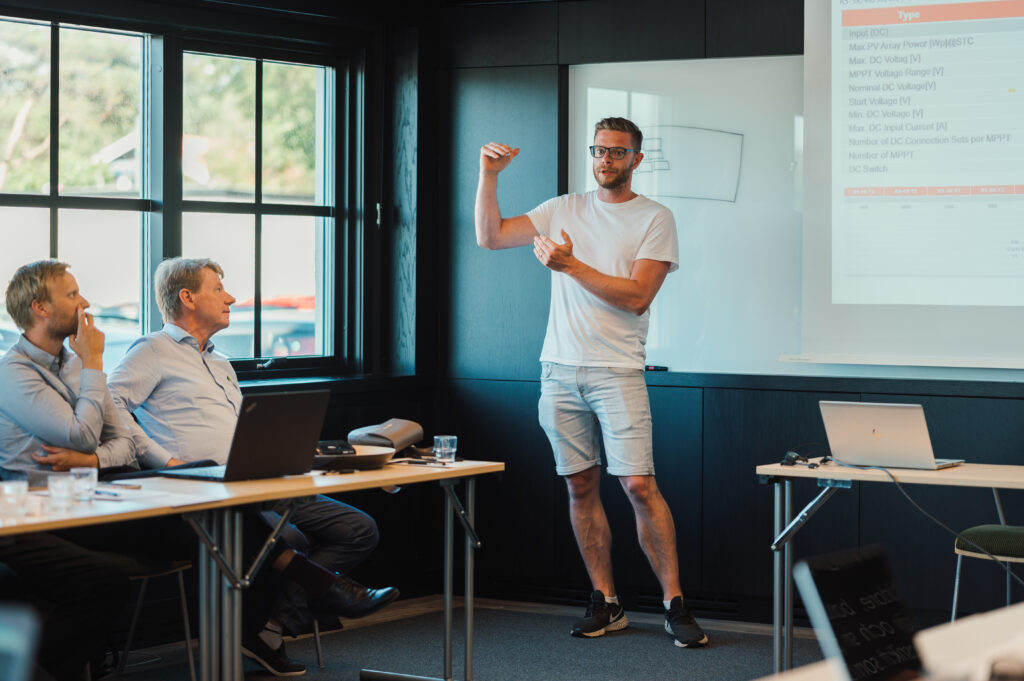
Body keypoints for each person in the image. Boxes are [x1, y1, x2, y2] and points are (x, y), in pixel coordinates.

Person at [473, 117, 708, 648]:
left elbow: (637, 297)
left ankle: (674, 602)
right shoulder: (563, 208)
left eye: (617, 152)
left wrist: (571, 266)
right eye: (599, 150)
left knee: (639, 486)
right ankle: (606, 601)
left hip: (617, 371)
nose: (606, 160)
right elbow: (490, 236)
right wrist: (489, 175)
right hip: (558, 370)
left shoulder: (655, 217)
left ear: (636, 160)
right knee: (579, 485)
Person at [108, 256, 398, 674]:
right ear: (187, 297)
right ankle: (269, 626)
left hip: (257, 480)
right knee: (290, 538)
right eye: (218, 289)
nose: (231, 298)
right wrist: (162, 458)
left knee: (358, 529)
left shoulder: (221, 362)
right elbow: (112, 404)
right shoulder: (152, 350)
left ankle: (268, 628)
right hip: (205, 490)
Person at [0, 260, 136, 483]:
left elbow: (126, 444)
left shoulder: (77, 363)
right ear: (41, 308)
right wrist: (92, 360)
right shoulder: (12, 373)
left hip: (96, 493)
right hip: (40, 498)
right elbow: (83, 438)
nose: (85, 303)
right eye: (73, 295)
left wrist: (91, 461)